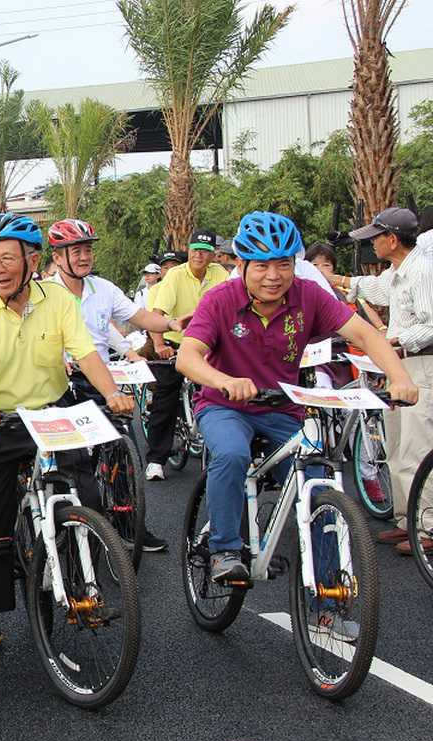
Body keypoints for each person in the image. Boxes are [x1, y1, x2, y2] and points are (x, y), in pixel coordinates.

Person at [177, 211, 417, 593]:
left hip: (283, 409)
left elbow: (365, 335)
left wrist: (399, 377)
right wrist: (226, 381)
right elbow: (187, 357)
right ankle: (224, 549)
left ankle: (328, 597)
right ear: (241, 263)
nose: (274, 275)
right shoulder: (219, 300)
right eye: (262, 266)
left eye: (284, 264)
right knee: (233, 455)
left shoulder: (308, 296)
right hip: (225, 406)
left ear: (295, 264)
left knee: (319, 484)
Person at [0, 212, 134, 660]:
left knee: (86, 491)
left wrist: (112, 392)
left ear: (32, 260)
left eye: (8, 258)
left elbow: (85, 353)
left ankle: (81, 572)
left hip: (52, 413)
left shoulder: (57, 300)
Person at [46, 219, 183, 552]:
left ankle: (129, 525)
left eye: (88, 250)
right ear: (58, 256)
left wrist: (171, 323)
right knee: (73, 461)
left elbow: (140, 316)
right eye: (75, 251)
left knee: (124, 447)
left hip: (101, 378)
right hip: (61, 382)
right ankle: (72, 526)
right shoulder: (45, 293)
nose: (84, 257)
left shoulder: (103, 288)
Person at [330, 208, 433, 553]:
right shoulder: (400, 269)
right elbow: (376, 288)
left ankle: (428, 527)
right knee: (397, 446)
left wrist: (394, 341)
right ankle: (408, 521)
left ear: (392, 239)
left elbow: (431, 324)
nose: (372, 243)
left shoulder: (423, 269)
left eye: (376, 237)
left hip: (421, 364)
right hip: (400, 367)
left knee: (418, 447)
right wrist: (339, 281)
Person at [143, 230, 228, 481]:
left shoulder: (220, 275)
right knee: (164, 401)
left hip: (207, 346)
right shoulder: (176, 276)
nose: (199, 255)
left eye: (204, 250)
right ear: (188, 250)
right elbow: (158, 313)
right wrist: (159, 344)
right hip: (175, 343)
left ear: (213, 254)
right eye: (194, 250)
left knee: (220, 396)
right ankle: (156, 460)